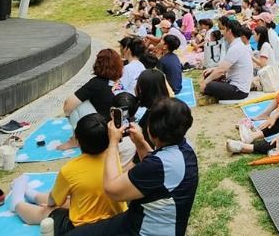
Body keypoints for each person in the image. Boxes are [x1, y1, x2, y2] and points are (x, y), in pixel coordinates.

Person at [70, 98, 198, 236]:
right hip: (157, 221)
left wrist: (112, 143)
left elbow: (112, 190)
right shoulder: (185, 148)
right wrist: (140, 142)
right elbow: (156, 170)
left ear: (150, 129)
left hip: (145, 230)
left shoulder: (157, 167)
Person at [10, 113, 125, 234]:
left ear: (77, 141)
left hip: (83, 228)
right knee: (73, 199)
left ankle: (17, 203)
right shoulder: (113, 158)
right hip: (116, 221)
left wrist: (51, 206)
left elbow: (53, 200)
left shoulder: (70, 169)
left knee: (47, 211)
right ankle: (32, 194)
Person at [200, 19, 253, 101]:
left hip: (239, 90)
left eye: (224, 29)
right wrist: (213, 69)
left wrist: (205, 83)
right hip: (233, 83)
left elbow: (221, 70)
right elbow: (224, 66)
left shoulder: (236, 47)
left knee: (209, 85)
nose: (222, 32)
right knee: (209, 74)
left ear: (229, 31)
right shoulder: (237, 44)